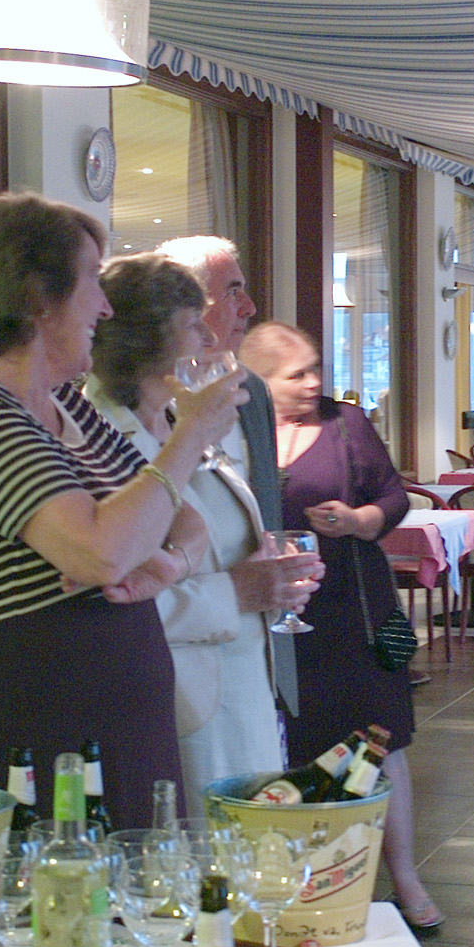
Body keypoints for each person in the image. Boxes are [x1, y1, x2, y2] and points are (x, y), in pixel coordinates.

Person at [0, 195, 245, 827]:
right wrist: (191, 436)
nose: (106, 306)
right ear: (39, 296)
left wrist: (170, 566)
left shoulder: (68, 406)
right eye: (93, 279)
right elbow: (101, 553)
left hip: (128, 730)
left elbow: (186, 520)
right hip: (50, 738)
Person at [85, 253, 321, 796]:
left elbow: (223, 541)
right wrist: (235, 593)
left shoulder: (181, 421)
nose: (209, 338)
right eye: (194, 323)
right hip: (175, 703)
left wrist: (274, 579)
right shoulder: (97, 436)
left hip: (242, 688)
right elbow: (106, 598)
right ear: (147, 338)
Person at [238, 321, 441, 933]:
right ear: (257, 381)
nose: (313, 382)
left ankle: (404, 877)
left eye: (315, 368)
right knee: (284, 742)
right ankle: (297, 883)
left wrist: (359, 519)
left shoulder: (344, 423)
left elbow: (395, 497)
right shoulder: (234, 428)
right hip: (268, 610)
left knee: (380, 739)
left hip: (353, 607)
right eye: (295, 374)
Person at [155, 235, 299, 720]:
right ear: (184, 306)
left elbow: (263, 511)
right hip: (182, 669)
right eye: (233, 291)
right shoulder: (141, 403)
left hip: (261, 655)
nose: (250, 307)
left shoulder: (251, 389)